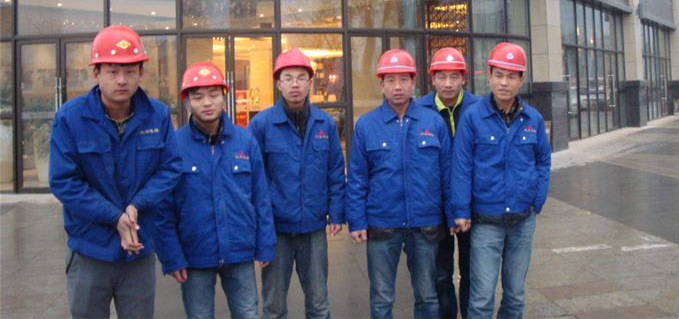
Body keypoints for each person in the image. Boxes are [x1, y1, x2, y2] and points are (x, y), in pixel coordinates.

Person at [49, 25, 181, 319]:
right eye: (112, 71)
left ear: (140, 73)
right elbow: (63, 181)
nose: (122, 80)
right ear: (96, 73)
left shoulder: (158, 115)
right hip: (90, 249)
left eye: (130, 71)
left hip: (138, 250)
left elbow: (170, 169)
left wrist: (137, 206)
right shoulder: (70, 118)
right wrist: (113, 216)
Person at [154, 62, 276, 319]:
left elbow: (261, 197)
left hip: (239, 251)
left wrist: (265, 243)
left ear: (224, 97)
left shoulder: (245, 140)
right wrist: (171, 257)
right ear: (187, 102)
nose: (207, 103)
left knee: (248, 314)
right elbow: (163, 208)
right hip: (195, 254)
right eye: (198, 97)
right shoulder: (174, 145)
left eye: (213, 94)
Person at [346, 49, 454, 319]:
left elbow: (447, 175)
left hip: (425, 224)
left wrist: (453, 215)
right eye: (390, 80)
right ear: (381, 84)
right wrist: (356, 220)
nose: (397, 86)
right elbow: (357, 178)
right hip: (382, 224)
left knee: (427, 296)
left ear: (414, 82)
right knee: (382, 300)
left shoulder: (433, 122)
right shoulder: (366, 125)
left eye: (404, 80)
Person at [451, 43, 551, 319]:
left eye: (511, 76)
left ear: (521, 79)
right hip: (486, 222)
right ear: (489, 76)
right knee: (481, 299)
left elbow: (543, 160)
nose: (504, 83)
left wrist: (538, 199)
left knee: (515, 297)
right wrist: (461, 209)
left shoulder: (533, 119)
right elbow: (461, 166)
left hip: (522, 221)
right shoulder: (473, 117)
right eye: (498, 75)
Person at [248, 47, 346, 319]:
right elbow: (253, 180)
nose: (295, 84)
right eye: (288, 78)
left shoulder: (325, 124)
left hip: (313, 228)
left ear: (310, 82)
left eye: (301, 78)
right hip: (276, 230)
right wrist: (259, 225)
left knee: (318, 304)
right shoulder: (261, 125)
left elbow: (335, 172)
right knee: (273, 306)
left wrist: (337, 212)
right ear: (278, 83)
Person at [416, 48, 480, 318]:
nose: (448, 83)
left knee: (471, 273)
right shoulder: (419, 110)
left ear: (464, 78)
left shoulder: (479, 108)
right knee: (440, 274)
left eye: (455, 77)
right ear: (432, 79)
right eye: (442, 77)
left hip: (472, 205)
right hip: (436, 208)